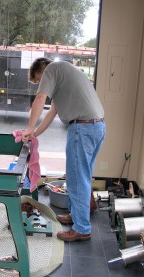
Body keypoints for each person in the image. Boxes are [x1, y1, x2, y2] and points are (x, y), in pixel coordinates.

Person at [21, 57, 106, 242]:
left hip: (82, 129)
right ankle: (77, 216)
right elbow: (51, 113)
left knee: (76, 180)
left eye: (38, 80)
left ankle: (82, 229)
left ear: (42, 71)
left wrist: (28, 128)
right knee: (82, 177)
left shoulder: (52, 69)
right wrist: (34, 134)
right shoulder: (64, 74)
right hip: (97, 127)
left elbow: (39, 98)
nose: (41, 84)